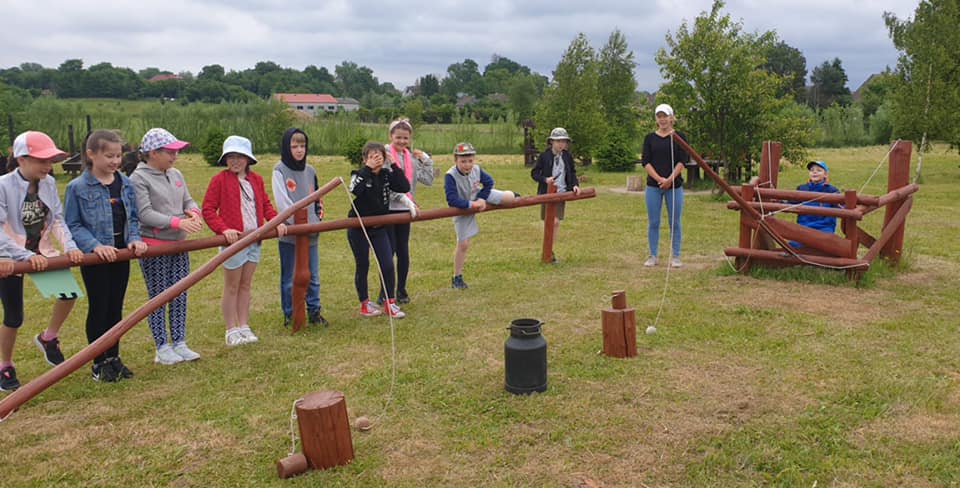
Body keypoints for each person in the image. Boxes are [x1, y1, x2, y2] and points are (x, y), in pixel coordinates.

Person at [0, 131, 84, 391]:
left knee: (68, 293)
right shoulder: (3, 185)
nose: (48, 166)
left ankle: (49, 337)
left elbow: (57, 219)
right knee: (14, 316)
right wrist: (24, 256)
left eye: (51, 161)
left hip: (41, 252)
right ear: (21, 159)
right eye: (42, 161)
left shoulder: (47, 183)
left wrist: (70, 247)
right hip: (9, 256)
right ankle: (5, 365)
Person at [64, 130, 148, 382]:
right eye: (109, 155)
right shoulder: (77, 187)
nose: (114, 161)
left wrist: (134, 238)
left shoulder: (125, 183)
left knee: (115, 307)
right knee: (99, 306)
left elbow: (132, 217)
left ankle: (114, 357)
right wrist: (94, 246)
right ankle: (98, 362)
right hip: (96, 259)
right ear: (91, 154)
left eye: (118, 155)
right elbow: (73, 223)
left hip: (121, 255)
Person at [202, 136, 286, 346]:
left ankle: (244, 325)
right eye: (231, 156)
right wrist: (223, 229)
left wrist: (276, 222)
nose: (235, 161)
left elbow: (265, 204)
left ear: (248, 159)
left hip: (255, 239)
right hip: (234, 242)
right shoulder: (219, 180)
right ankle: (231, 329)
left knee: (246, 284)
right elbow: (208, 209)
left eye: (240, 156)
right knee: (232, 285)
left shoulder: (255, 180)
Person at [131, 128, 203, 365]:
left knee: (180, 292)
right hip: (155, 246)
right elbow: (145, 213)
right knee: (159, 295)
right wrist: (176, 222)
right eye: (170, 152)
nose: (175, 156)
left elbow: (187, 199)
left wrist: (193, 211)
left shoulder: (176, 173)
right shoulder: (138, 178)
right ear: (153, 153)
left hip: (178, 244)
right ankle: (162, 345)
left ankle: (180, 341)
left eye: (176, 152)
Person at [346, 142, 412, 318]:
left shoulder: (386, 175)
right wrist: (367, 169)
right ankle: (364, 303)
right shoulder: (358, 174)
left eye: (379, 156)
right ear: (364, 159)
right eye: (371, 157)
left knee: (387, 264)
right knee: (363, 264)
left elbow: (404, 187)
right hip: (358, 227)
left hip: (380, 227)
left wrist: (394, 165)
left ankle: (389, 303)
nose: (376, 160)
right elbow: (355, 190)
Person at [272, 128, 327, 328]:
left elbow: (317, 199)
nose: (299, 150)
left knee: (313, 275)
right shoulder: (279, 170)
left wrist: (316, 222)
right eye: (294, 146)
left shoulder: (310, 170)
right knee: (290, 276)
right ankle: (290, 312)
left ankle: (314, 310)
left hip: (311, 232)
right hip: (291, 234)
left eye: (302, 146)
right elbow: (282, 202)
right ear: (287, 147)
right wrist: (297, 226)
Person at [445, 142, 517, 289]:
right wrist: (472, 205)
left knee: (509, 198)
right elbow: (451, 199)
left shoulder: (476, 169)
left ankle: (511, 194)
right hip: (462, 206)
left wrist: (482, 198)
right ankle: (457, 277)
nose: (467, 165)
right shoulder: (450, 175)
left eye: (470, 161)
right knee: (463, 244)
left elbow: (489, 182)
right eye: (463, 161)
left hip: (477, 195)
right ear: (455, 160)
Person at [379, 118, 433, 305]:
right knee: (388, 251)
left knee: (403, 251)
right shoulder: (385, 156)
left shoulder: (411, 158)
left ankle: (401, 289)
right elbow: (386, 184)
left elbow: (428, 180)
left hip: (406, 211)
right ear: (391, 136)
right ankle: (384, 291)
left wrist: (426, 160)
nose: (402, 141)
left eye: (405, 138)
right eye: (398, 137)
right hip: (389, 209)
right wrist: (405, 200)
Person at [640, 104, 689, 268]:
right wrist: (659, 179)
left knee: (675, 222)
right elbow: (645, 161)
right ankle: (652, 255)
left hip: (674, 186)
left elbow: (683, 160)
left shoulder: (679, 136)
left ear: (671, 117)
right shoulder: (650, 138)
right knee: (654, 222)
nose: (662, 119)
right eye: (659, 116)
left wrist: (669, 179)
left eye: (665, 116)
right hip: (654, 186)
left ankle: (675, 256)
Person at [531, 127, 580, 263]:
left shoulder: (567, 156)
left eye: (564, 141)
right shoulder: (544, 156)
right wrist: (545, 180)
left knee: (556, 222)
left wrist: (575, 185)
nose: (561, 144)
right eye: (558, 141)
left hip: (561, 193)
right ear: (551, 142)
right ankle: (548, 252)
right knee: (550, 222)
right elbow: (534, 173)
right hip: (546, 194)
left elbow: (572, 173)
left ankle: (549, 251)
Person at [792, 160, 841, 242]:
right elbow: (792, 202)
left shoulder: (831, 190)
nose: (815, 172)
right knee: (794, 245)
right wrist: (780, 202)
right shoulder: (802, 188)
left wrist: (850, 206)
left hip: (824, 227)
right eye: (812, 170)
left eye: (819, 170)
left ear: (825, 174)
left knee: (826, 245)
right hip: (804, 226)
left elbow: (840, 206)